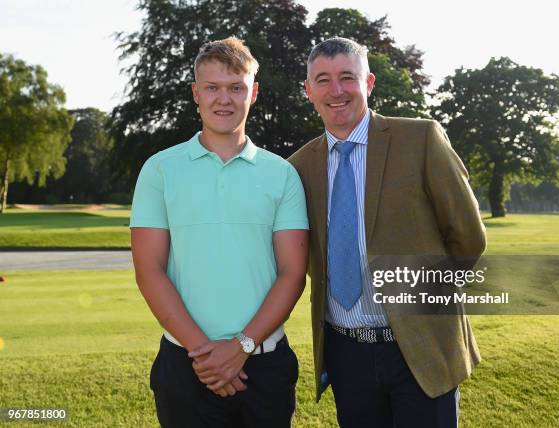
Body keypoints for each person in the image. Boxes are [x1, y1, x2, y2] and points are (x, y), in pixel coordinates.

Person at [288, 37, 486, 427]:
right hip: (346, 354)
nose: (337, 90)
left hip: (420, 348)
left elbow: (468, 238)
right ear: (309, 90)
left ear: (369, 82)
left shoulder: (421, 139)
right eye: (323, 80)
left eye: (348, 77)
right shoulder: (297, 167)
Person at [130, 36, 309, 428]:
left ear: (254, 92)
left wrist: (241, 346)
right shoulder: (160, 169)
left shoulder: (282, 174)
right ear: (196, 93)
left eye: (235, 87)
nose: (223, 99)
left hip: (266, 367)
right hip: (186, 366)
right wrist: (207, 356)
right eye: (212, 87)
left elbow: (292, 273)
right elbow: (149, 271)